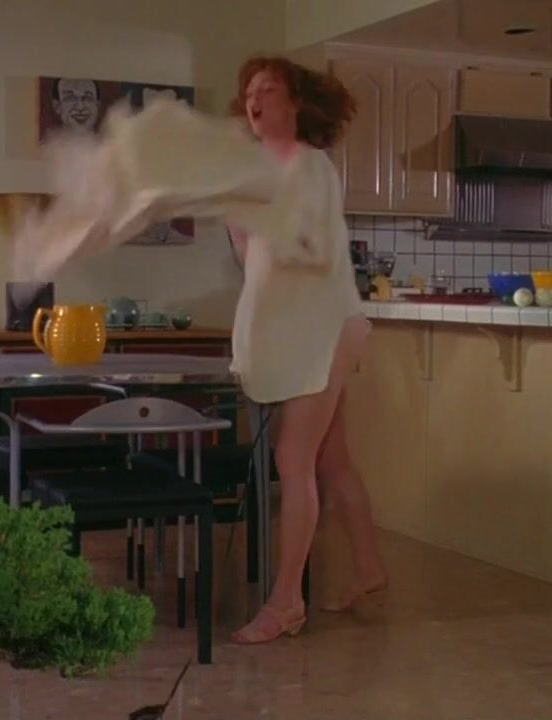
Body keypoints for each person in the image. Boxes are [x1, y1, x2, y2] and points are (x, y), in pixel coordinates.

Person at [226, 56, 388, 645]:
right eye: (250, 91)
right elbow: (255, 265)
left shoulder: (311, 166)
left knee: (292, 459)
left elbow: (303, 250)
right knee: (330, 458)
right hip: (313, 327)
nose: (255, 99)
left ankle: (286, 601)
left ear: (297, 104)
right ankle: (368, 567)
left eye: (268, 89)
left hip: (325, 329)